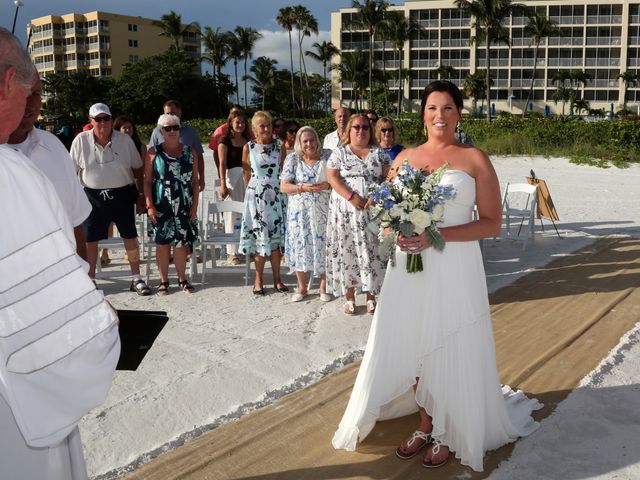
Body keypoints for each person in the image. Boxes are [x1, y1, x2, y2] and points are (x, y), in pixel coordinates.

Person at [332, 81, 542, 471]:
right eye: (432, 108)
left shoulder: (475, 158)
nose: (439, 115)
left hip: (455, 265)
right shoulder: (406, 157)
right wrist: (397, 230)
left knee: (449, 340)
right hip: (408, 268)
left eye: (447, 108)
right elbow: (384, 213)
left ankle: (449, 428)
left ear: (459, 113)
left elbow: (492, 224)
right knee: (413, 341)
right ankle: (426, 422)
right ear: (423, 113)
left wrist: (436, 235)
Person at [0, 26, 119, 480]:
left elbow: (74, 235)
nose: (29, 109)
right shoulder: (9, 174)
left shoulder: (46, 151)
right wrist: (96, 323)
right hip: (16, 395)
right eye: (26, 94)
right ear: (10, 81)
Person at [8, 70, 91, 261]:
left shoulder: (54, 147)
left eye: (35, 94)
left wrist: (85, 278)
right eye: (21, 92)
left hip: (61, 279)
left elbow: (75, 220)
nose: (30, 103)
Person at [70, 102, 152, 295]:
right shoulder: (80, 141)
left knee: (130, 237)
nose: (103, 123)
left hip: (122, 194)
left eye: (106, 118)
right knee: (91, 240)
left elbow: (137, 168)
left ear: (111, 119)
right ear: (90, 121)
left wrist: (140, 194)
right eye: (98, 119)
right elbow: (71, 173)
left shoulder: (124, 140)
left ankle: (136, 278)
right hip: (91, 196)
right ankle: (90, 280)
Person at [325, 114, 391, 316]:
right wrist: (351, 196)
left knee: (373, 251)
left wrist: (378, 195)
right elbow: (332, 177)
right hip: (345, 211)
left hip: (372, 211)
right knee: (348, 250)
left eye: (365, 127)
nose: (361, 130)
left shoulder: (380, 154)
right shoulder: (339, 153)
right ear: (349, 130)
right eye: (356, 127)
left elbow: (389, 178)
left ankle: (371, 295)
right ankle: (350, 296)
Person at [144, 114, 199, 295]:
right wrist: (149, 205)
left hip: (184, 202)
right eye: (168, 128)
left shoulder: (190, 152)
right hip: (161, 203)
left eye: (175, 127)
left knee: (181, 243)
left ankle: (182, 278)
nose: (172, 131)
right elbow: (147, 182)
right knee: (162, 243)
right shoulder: (153, 153)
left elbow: (195, 182)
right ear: (161, 131)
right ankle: (163, 281)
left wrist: (195, 205)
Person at [280, 126, 332, 302]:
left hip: (324, 211)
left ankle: (324, 287)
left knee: (325, 245)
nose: (309, 144)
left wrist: (329, 185)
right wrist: (301, 187)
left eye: (312, 140)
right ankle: (302, 288)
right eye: (305, 141)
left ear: (317, 140)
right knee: (300, 244)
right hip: (299, 213)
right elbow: (284, 186)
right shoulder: (293, 158)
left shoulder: (328, 155)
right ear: (300, 143)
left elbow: (339, 178)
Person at [239, 111, 288, 295]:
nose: (266, 128)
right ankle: (258, 280)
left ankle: (277, 279)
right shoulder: (248, 147)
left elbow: (284, 171)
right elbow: (246, 174)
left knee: (276, 242)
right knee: (259, 241)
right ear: (254, 129)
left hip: (276, 196)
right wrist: (253, 194)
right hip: (257, 197)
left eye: (268, 125)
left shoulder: (279, 146)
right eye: (262, 125)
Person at [148, 100, 205, 192]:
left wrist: (201, 179)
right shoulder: (157, 132)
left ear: (180, 112)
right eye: (167, 114)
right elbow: (151, 159)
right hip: (162, 186)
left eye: (172, 113)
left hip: (186, 184)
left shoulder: (191, 132)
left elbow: (199, 157)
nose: (170, 116)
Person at [218, 109, 250, 265]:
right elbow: (222, 164)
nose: (240, 125)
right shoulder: (224, 141)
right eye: (237, 122)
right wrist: (222, 183)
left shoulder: (247, 141)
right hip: (231, 180)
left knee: (245, 215)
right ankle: (232, 253)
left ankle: (244, 248)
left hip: (246, 180)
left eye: (243, 122)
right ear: (230, 123)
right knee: (231, 215)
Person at [209, 104, 243, 175]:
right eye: (234, 113)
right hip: (229, 173)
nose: (237, 115)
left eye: (239, 113)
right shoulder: (221, 130)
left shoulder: (247, 129)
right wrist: (220, 171)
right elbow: (216, 152)